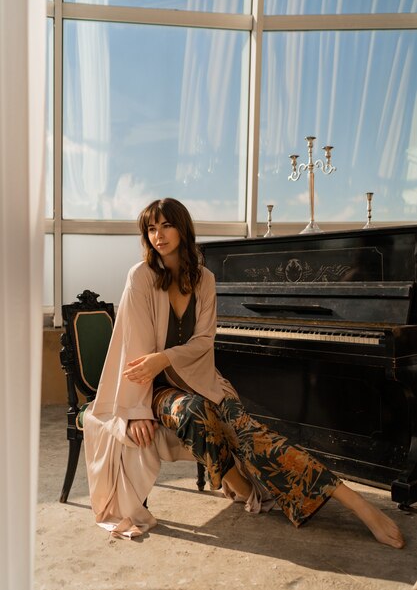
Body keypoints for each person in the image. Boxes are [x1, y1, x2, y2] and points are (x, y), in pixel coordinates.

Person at [83, 197, 404, 548]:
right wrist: (136, 411)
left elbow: (204, 341)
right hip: (153, 389)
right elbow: (135, 351)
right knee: (194, 412)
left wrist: (165, 358)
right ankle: (241, 486)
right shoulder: (141, 276)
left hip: (201, 380)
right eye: (151, 228)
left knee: (249, 430)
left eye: (166, 225)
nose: (158, 235)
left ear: (182, 228)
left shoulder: (204, 279)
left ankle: (354, 502)